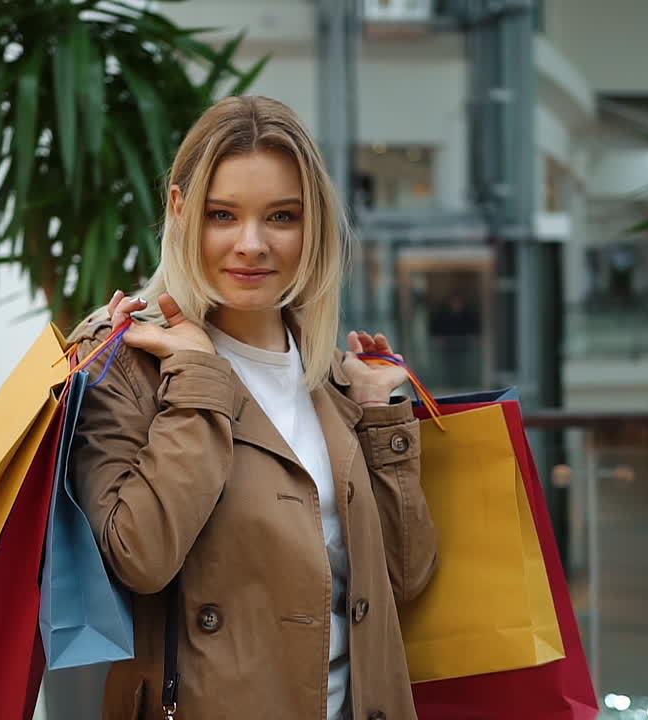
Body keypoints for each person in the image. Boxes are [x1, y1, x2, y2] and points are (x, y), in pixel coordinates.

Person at [68, 96, 439, 720]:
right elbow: (140, 557)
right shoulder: (125, 356)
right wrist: (197, 377)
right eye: (222, 214)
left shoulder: (328, 374)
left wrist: (382, 419)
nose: (252, 244)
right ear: (181, 211)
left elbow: (406, 579)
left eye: (281, 217)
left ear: (312, 223)